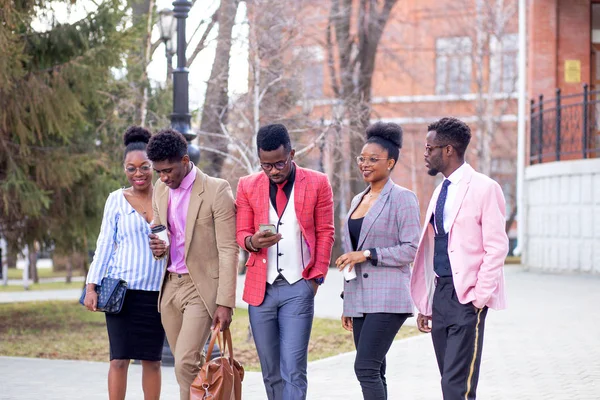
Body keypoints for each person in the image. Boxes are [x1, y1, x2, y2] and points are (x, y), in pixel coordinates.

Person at [410, 117, 509, 399]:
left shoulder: (484, 188)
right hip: (441, 294)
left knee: (458, 386)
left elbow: (496, 246)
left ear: (449, 150)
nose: (425, 154)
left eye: (430, 148)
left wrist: (479, 296)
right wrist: (427, 301)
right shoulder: (441, 189)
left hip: (468, 297)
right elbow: (435, 246)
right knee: (448, 380)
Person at [235, 123, 335, 400]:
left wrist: (315, 279)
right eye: (266, 165)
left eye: (279, 163)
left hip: (298, 286)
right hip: (260, 290)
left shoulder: (317, 182)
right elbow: (241, 232)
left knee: (293, 369)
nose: (274, 170)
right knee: (270, 370)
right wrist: (253, 242)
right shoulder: (247, 185)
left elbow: (326, 231)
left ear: (291, 153)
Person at [146, 129, 238, 400]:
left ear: (185, 161)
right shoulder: (161, 190)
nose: (163, 177)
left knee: (185, 362)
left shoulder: (216, 189)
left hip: (201, 289)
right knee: (187, 368)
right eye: (158, 172)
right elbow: (159, 231)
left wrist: (225, 302)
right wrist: (157, 247)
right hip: (170, 287)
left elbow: (228, 249)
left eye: (168, 170)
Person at [336, 122, 421, 400]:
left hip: (389, 297)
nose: (365, 164)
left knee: (365, 368)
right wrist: (348, 301)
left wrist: (369, 254)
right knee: (376, 370)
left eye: (374, 159)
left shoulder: (402, 198)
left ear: (391, 162)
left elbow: (411, 249)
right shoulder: (357, 200)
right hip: (360, 298)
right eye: (362, 158)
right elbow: (351, 253)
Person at [84, 126, 166, 400]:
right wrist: (91, 286)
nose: (138, 174)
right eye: (131, 169)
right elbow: (104, 245)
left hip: (157, 294)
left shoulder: (167, 196)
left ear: (153, 165)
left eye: (144, 167)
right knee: (119, 360)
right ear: (124, 169)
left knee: (152, 361)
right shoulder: (115, 200)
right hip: (122, 294)